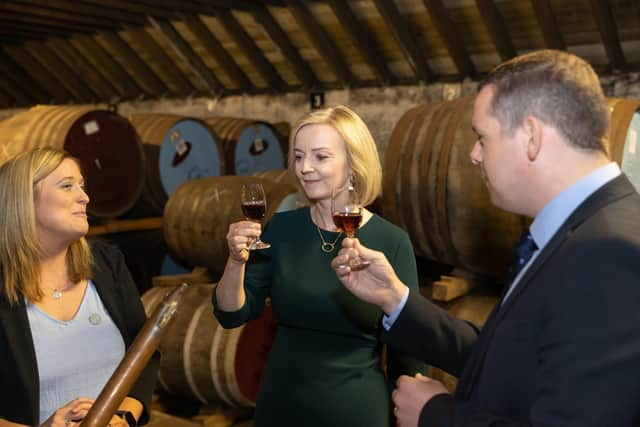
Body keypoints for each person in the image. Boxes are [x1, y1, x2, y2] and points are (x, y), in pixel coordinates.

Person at [332, 49, 640, 426]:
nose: (473, 154)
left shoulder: (608, 254)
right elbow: (509, 357)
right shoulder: (582, 228)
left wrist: (435, 414)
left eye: (482, 137)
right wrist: (395, 299)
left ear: (531, 137)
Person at [212, 105, 425, 426]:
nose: (304, 168)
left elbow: (408, 353)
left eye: (320, 157)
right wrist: (235, 261)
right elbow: (231, 314)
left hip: (354, 411)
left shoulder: (390, 241)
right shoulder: (282, 229)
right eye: (298, 157)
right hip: (280, 405)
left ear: (353, 165)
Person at [0, 147, 159, 427]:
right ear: (25, 200)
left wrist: (124, 417)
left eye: (82, 186)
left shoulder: (107, 264)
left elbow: (144, 355)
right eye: (67, 186)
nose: (84, 197)